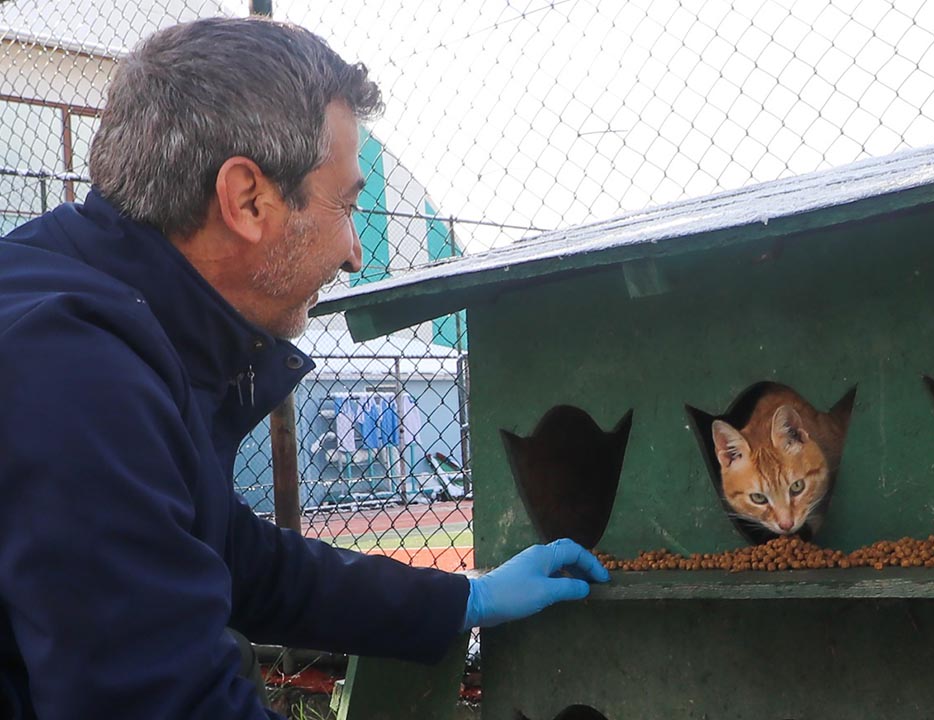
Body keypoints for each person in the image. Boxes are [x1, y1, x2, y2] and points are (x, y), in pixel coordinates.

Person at [0, 16, 608, 719]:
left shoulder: (87, 299)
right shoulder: (77, 375)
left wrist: (463, 598)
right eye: (346, 205)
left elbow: (233, 556)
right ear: (248, 200)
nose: (354, 251)